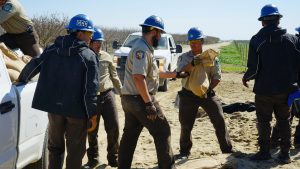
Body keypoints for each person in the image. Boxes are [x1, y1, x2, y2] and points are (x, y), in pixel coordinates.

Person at [17, 14, 99, 169]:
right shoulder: (88, 56)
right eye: (89, 33)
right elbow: (91, 89)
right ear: (79, 33)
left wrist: (21, 80)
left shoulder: (51, 49)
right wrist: (92, 114)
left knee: (54, 148)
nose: (91, 37)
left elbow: (33, 66)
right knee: (75, 151)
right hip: (77, 112)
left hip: (54, 110)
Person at [118, 15, 188, 169]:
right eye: (160, 33)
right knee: (163, 131)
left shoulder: (145, 48)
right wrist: (149, 103)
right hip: (140, 99)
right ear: (154, 31)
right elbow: (139, 77)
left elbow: (154, 73)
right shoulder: (141, 50)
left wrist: (176, 74)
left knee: (129, 136)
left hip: (130, 100)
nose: (161, 36)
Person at [243, 4, 300, 164]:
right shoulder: (293, 39)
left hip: (264, 90)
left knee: (263, 121)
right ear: (279, 20)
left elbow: (253, 69)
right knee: (284, 120)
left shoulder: (256, 40)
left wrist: (246, 77)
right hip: (287, 90)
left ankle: (264, 152)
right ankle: (284, 154)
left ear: (263, 22)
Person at [176, 27, 233, 159]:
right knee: (185, 124)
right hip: (188, 94)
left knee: (219, 119)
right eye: (191, 42)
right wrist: (192, 64)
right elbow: (180, 74)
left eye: (196, 42)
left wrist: (207, 90)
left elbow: (217, 77)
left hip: (207, 94)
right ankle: (184, 151)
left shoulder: (211, 57)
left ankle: (226, 149)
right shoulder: (184, 57)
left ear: (202, 41)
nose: (193, 44)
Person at [82, 28, 122, 168]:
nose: (99, 45)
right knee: (91, 130)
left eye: (101, 42)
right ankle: (93, 159)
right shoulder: (84, 56)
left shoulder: (107, 57)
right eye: (96, 42)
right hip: (92, 99)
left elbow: (114, 76)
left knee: (114, 127)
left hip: (108, 95)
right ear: (90, 42)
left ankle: (113, 157)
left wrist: (122, 92)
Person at [270, 26, 300, 148]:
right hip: (292, 87)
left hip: (289, 87)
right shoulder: (294, 45)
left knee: (285, 116)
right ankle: (296, 141)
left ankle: (275, 141)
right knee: (286, 116)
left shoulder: (290, 44)